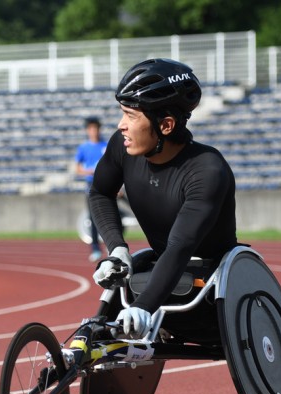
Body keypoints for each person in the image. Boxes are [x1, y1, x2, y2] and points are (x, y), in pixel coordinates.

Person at [89, 58, 237, 339]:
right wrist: (117, 249)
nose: (121, 126)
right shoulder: (121, 147)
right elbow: (100, 193)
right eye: (122, 114)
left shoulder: (208, 170)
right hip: (162, 264)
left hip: (210, 281)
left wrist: (144, 306)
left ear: (166, 125)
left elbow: (181, 246)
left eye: (131, 116)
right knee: (95, 337)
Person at [75, 117, 107, 262]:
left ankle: (111, 246)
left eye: (96, 128)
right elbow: (78, 169)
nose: (94, 131)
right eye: (91, 129)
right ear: (88, 130)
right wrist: (90, 171)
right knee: (93, 217)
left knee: (109, 216)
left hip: (106, 184)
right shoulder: (83, 148)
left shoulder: (105, 145)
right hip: (91, 185)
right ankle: (95, 249)